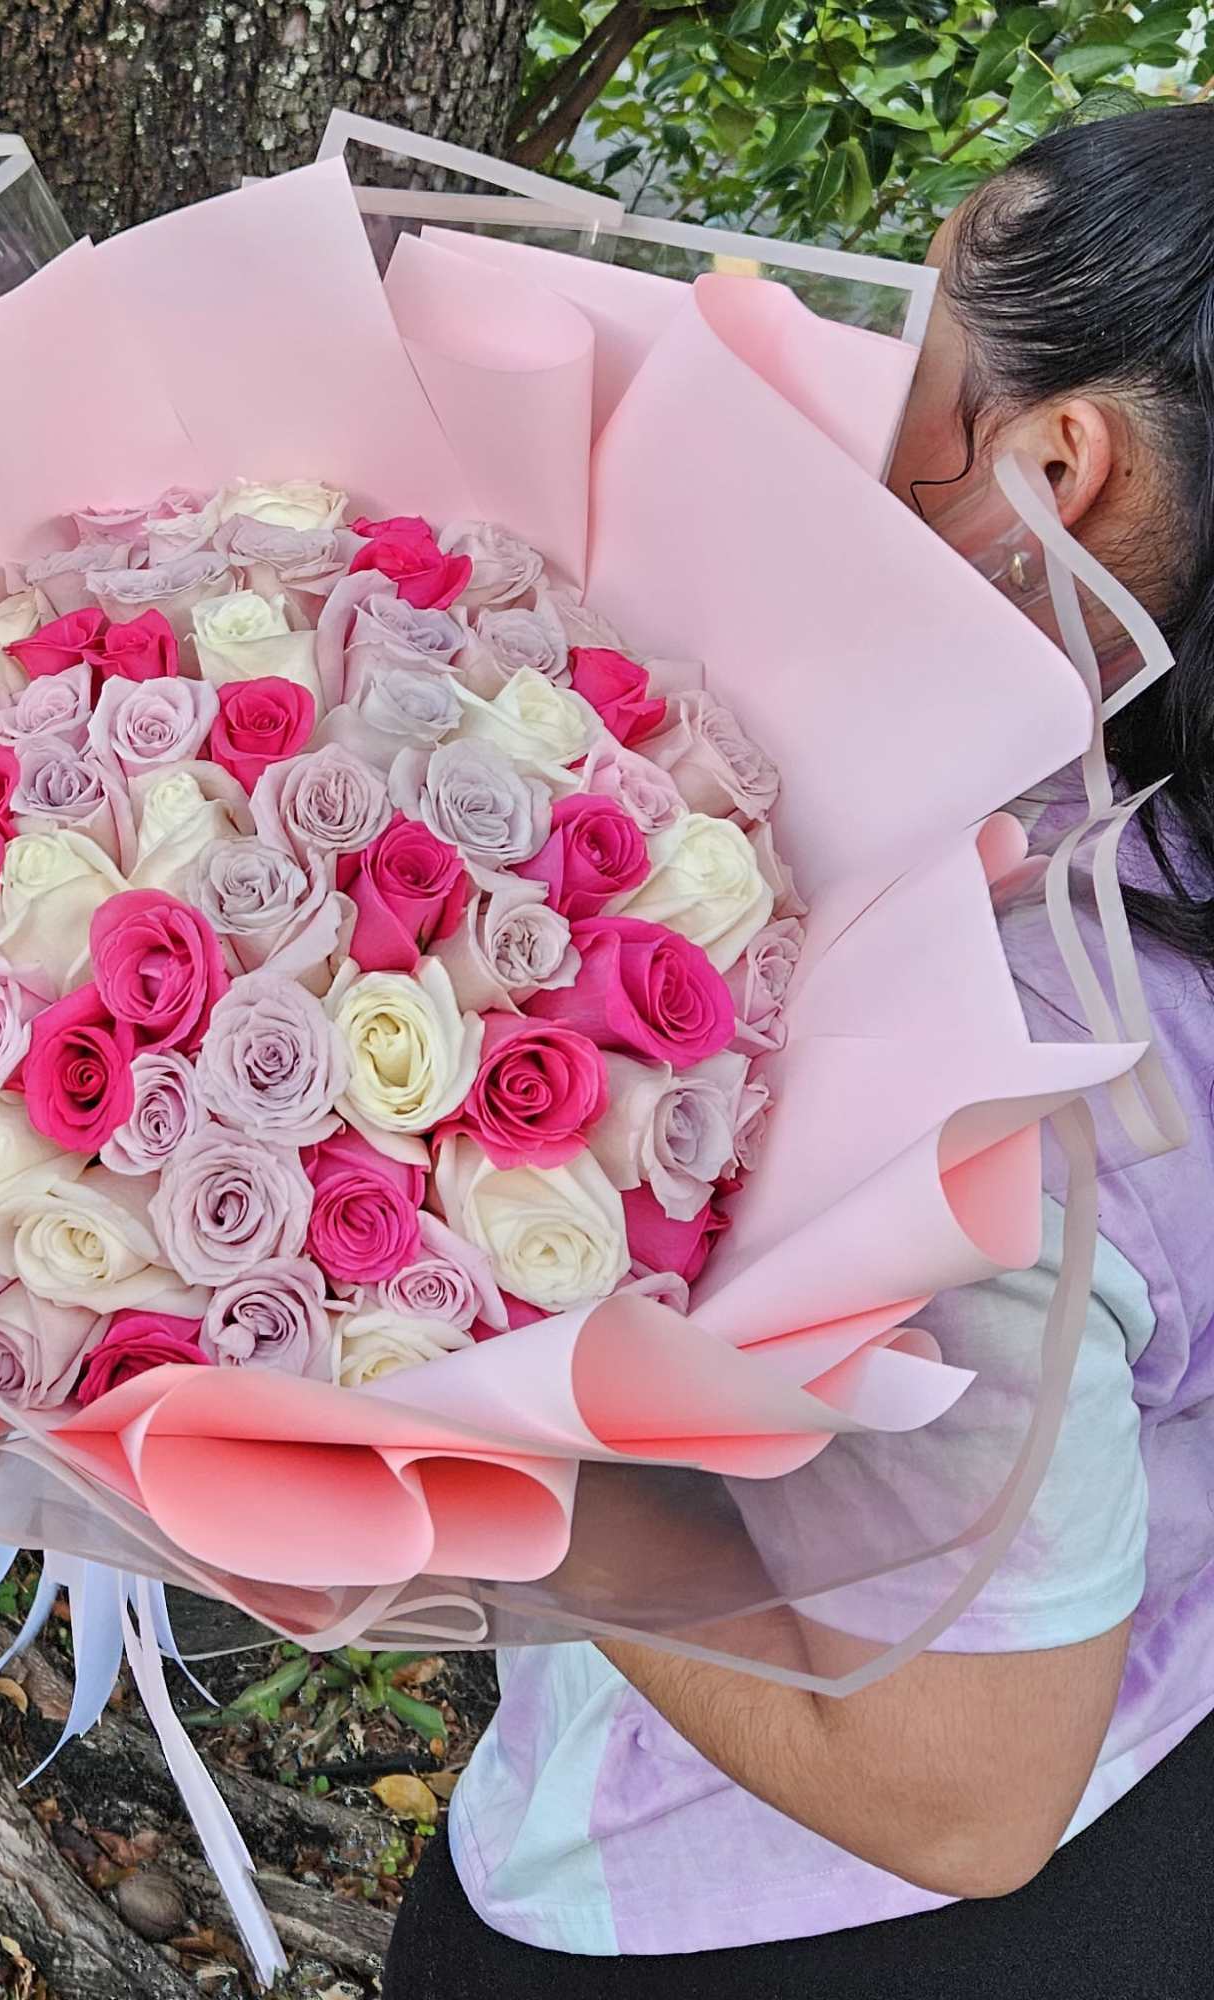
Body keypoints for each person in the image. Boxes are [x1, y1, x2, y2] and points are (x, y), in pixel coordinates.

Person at [385, 102, 1214, 1999]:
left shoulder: (994, 1047)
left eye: (913, 327)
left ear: (1057, 462)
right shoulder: (1148, 830)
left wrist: (434, 1398)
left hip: (807, 1897)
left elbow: (966, 1799)